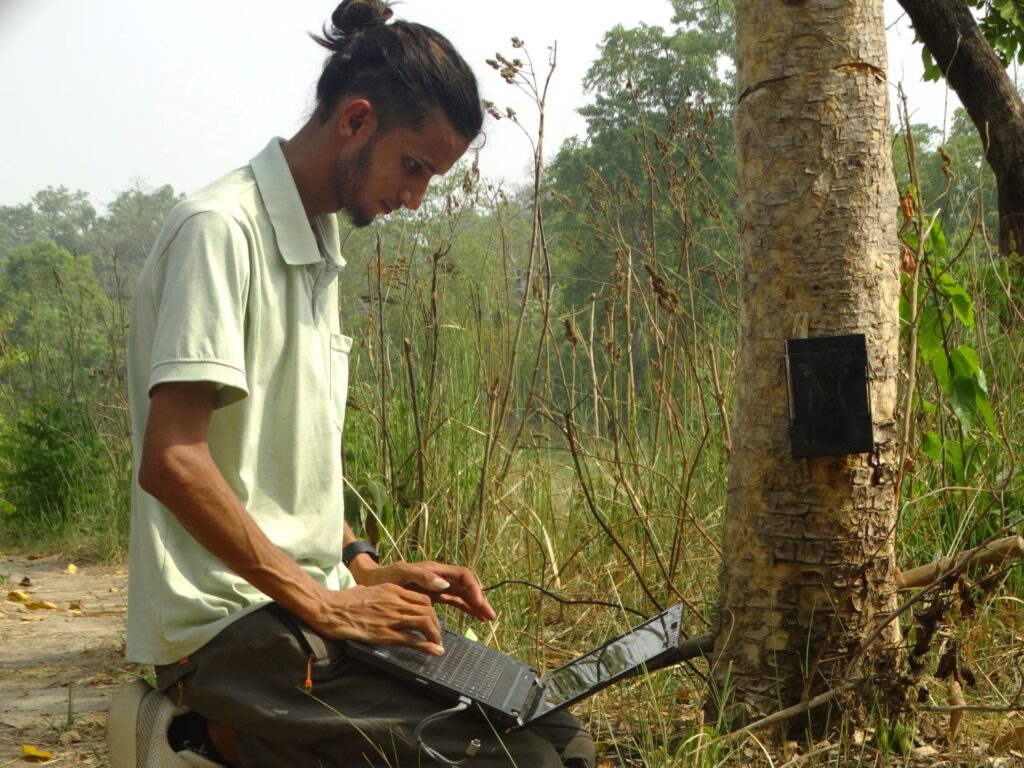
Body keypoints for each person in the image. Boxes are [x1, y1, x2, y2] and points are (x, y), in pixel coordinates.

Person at [106, 2, 596, 766]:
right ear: (357, 121)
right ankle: (215, 736)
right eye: (415, 167)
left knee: (562, 736)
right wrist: (323, 601)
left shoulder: (319, 241)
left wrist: (363, 564)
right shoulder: (220, 231)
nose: (416, 198)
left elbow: (279, 464)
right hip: (228, 629)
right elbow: (173, 460)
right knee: (519, 760)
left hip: (304, 605)